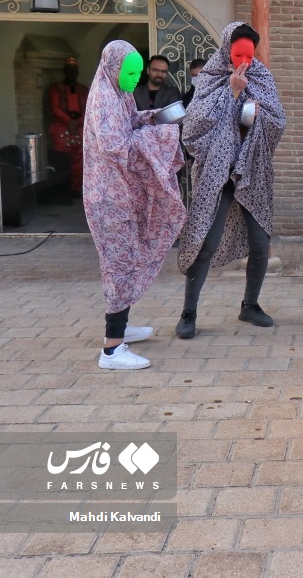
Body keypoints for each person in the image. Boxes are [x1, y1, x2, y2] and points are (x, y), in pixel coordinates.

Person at [175, 23, 285, 338]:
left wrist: (258, 113)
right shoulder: (210, 79)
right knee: (205, 242)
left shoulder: (262, 77)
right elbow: (193, 129)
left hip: (252, 171)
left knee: (261, 243)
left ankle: (250, 305)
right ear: (226, 49)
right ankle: (188, 311)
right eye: (238, 54)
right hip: (216, 173)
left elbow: (279, 120)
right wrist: (233, 93)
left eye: (249, 55)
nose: (244, 62)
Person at [83, 40, 186, 370]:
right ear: (113, 69)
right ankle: (112, 349)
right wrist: (160, 136)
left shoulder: (119, 94)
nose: (134, 77)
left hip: (121, 195)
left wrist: (153, 118)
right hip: (108, 199)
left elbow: (129, 122)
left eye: (138, 72)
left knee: (126, 260)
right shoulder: (103, 99)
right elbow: (116, 145)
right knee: (119, 266)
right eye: (130, 71)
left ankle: (121, 327)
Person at [48, 56, 89, 193]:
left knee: (80, 160)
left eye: (74, 69)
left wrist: (78, 122)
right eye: (69, 69)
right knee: (62, 159)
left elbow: (90, 109)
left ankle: (77, 188)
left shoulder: (83, 89)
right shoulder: (55, 89)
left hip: (80, 128)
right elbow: (55, 108)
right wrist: (68, 121)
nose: (71, 72)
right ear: (64, 71)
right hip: (62, 127)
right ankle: (63, 190)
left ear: (77, 72)